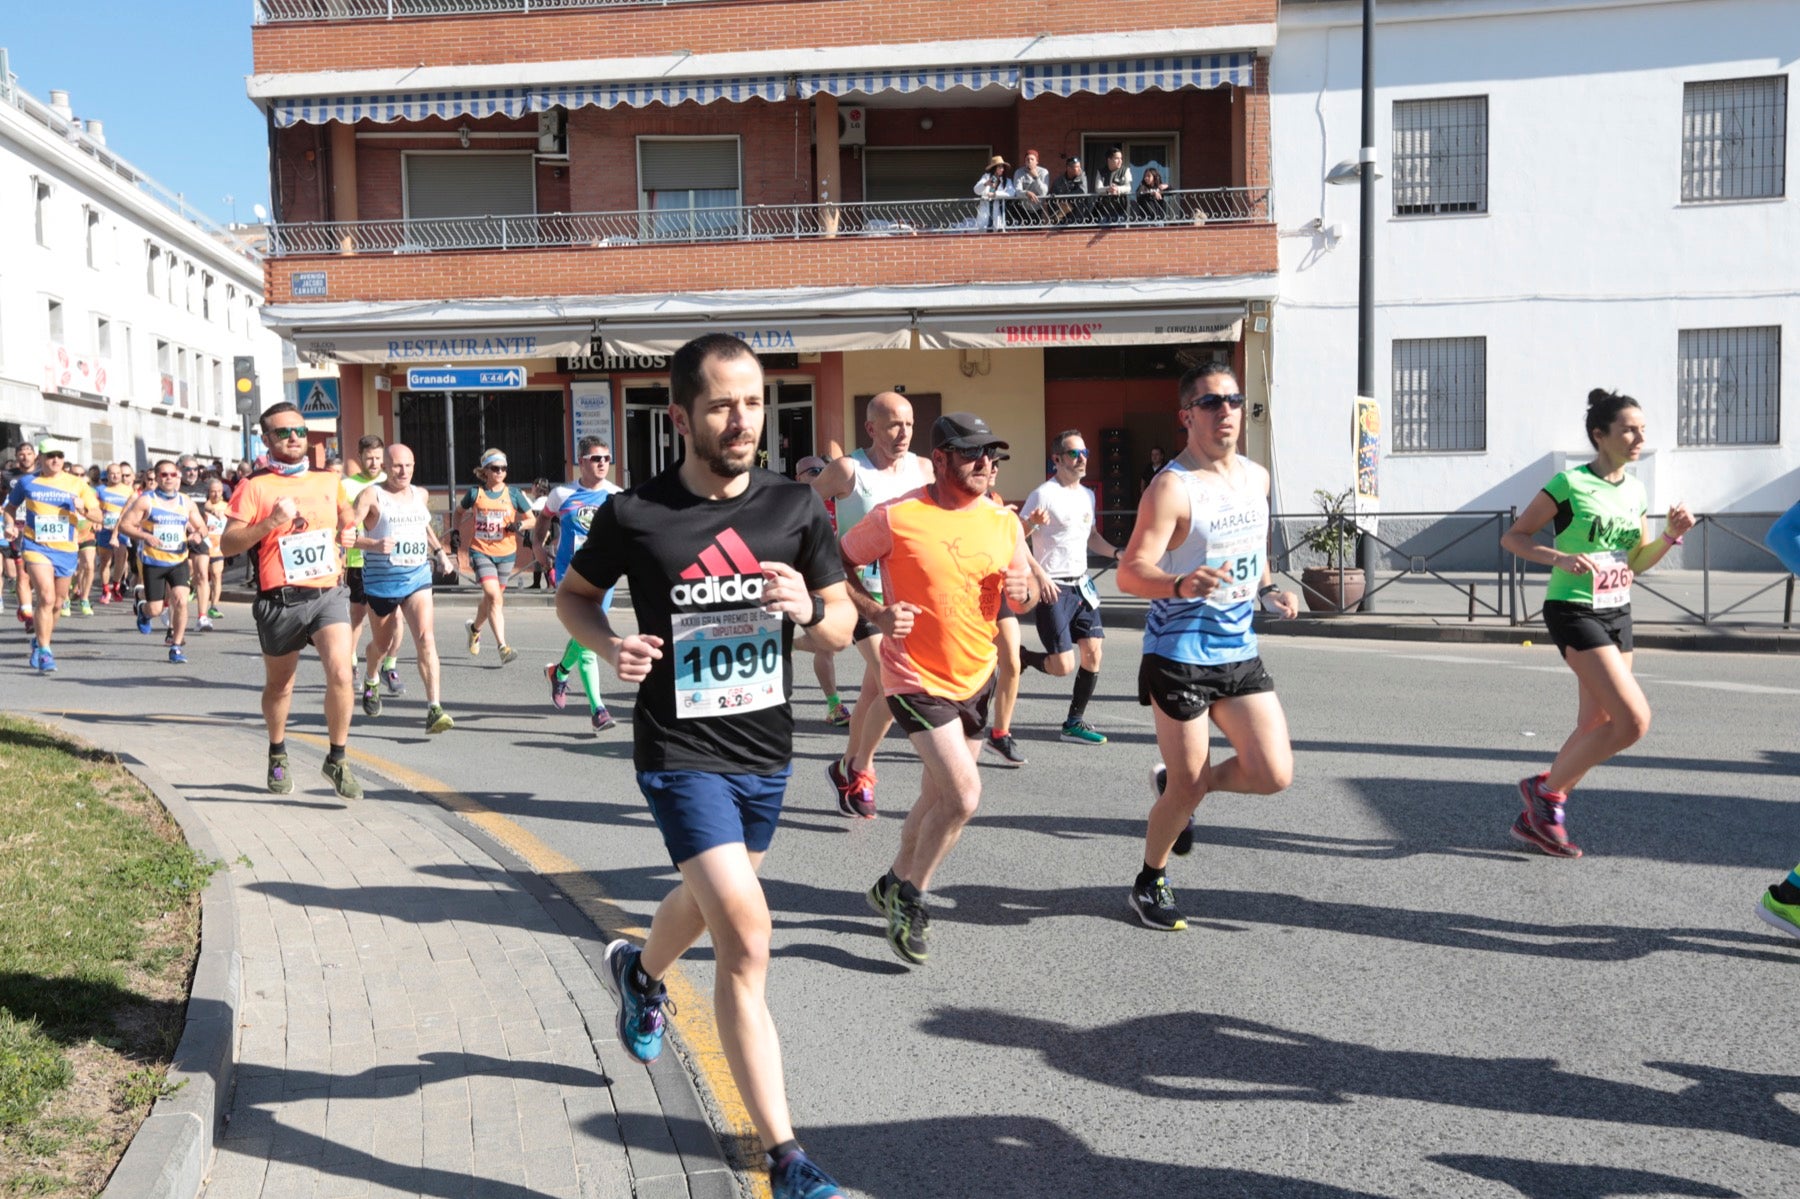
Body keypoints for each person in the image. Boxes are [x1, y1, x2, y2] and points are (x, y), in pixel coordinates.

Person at [555, 333, 855, 1199]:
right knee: (747, 934)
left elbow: (839, 624)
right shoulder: (636, 513)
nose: (742, 420)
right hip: (677, 750)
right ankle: (786, 1156)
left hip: (764, 752)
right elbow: (575, 596)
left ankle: (639, 973)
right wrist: (611, 645)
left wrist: (808, 606)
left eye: (754, 402)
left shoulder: (793, 508)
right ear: (681, 414)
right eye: (723, 404)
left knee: (713, 899)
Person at [841, 413, 1035, 964]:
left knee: (937, 798)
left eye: (992, 455)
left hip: (976, 675)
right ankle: (912, 895)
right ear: (942, 458)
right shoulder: (898, 516)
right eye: (973, 454)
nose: (986, 464)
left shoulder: (1004, 522)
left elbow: (1019, 597)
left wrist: (1023, 591)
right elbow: (836, 562)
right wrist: (877, 612)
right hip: (914, 678)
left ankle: (892, 881)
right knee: (965, 796)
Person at [1117, 364, 1300, 931]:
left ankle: (1182, 788)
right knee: (1190, 784)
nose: (1225, 411)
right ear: (1187, 416)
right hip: (1178, 654)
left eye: (1233, 401)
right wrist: (1178, 583)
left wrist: (1269, 587)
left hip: (1238, 650)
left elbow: (1254, 547)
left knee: (1273, 774)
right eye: (1211, 403)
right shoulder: (1172, 486)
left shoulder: (1257, 477)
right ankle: (1151, 878)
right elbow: (1129, 572)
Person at [1499, 389, 1695, 857]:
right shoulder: (1569, 485)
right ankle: (1546, 793)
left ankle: (1537, 819)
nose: (1638, 437)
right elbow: (1514, 537)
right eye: (1629, 428)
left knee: (1596, 723)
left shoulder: (1636, 489)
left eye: (1642, 429)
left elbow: (1635, 560)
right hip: (1573, 609)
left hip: (1617, 610)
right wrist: (1559, 557)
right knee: (1632, 722)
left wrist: (1670, 536)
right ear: (1599, 435)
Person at [220, 402, 363, 800]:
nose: (294, 438)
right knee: (281, 686)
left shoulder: (327, 478)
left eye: (299, 430)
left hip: (327, 592)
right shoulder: (255, 486)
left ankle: (337, 757)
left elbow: (345, 510)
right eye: (283, 433)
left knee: (341, 673)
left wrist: (349, 529)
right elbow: (228, 543)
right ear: (266, 440)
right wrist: (269, 524)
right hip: (280, 600)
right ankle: (278, 750)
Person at [812, 393, 934, 818]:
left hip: (907, 597)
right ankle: (861, 768)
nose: (903, 434)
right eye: (893, 425)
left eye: (910, 424)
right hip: (858, 592)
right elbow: (800, 508)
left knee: (872, 690)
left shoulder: (923, 470)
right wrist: (818, 558)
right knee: (891, 681)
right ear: (871, 429)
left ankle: (845, 766)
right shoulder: (849, 469)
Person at [1017, 430, 1124, 745]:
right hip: (1053, 589)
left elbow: (1091, 538)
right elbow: (1015, 537)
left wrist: (1118, 552)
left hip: (1082, 586)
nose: (1082, 459)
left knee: (1093, 654)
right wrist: (1039, 575)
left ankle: (1073, 723)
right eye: (1074, 453)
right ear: (1056, 459)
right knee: (1063, 666)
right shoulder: (1043, 494)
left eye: (1085, 452)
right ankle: (1024, 658)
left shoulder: (1087, 495)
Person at [353, 443, 456, 734]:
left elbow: (423, 527)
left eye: (409, 465)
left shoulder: (420, 494)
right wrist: (373, 544)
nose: (404, 471)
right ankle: (372, 677)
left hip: (417, 576)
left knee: (426, 637)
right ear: (385, 466)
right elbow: (344, 533)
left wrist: (439, 554)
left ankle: (434, 708)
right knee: (382, 645)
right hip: (381, 581)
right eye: (398, 465)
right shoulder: (372, 496)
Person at [540, 437, 623, 735]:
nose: (603, 463)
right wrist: (540, 551)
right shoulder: (562, 494)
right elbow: (543, 521)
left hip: (604, 578)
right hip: (571, 577)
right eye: (595, 458)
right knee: (588, 643)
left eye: (607, 458)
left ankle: (559, 672)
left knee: (585, 635)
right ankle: (597, 709)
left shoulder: (616, 496)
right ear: (581, 461)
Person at [5, 439, 100, 672]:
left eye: (59, 455)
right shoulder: (27, 482)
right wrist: (9, 525)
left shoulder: (77, 484)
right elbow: (9, 508)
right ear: (41, 458)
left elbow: (98, 516)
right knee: (46, 598)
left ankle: (40, 640)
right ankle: (46, 651)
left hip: (66, 549)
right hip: (36, 547)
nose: (55, 460)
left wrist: (83, 509)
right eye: (50, 456)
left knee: (58, 602)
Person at [117, 461, 210, 664]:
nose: (169, 478)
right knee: (156, 609)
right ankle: (142, 608)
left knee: (181, 600)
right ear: (157, 478)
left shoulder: (186, 502)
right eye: (164, 474)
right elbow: (125, 525)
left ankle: (176, 646)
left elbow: (202, 527)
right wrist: (144, 536)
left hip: (178, 560)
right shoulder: (146, 501)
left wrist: (197, 535)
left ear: (178, 477)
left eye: (173, 474)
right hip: (154, 562)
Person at [457, 448, 534, 664]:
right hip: (481, 551)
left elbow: (533, 519)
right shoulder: (475, 493)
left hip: (506, 554)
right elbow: (459, 512)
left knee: (491, 599)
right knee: (494, 597)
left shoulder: (514, 494)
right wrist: (455, 532)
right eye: (495, 468)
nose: (500, 472)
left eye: (503, 468)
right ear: (486, 471)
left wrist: (519, 524)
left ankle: (474, 630)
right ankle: (503, 646)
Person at [791, 454, 852, 727]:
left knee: (838, 641)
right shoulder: (796, 505)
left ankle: (787, 644)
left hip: (847, 577)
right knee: (826, 646)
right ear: (799, 478)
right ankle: (834, 705)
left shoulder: (839, 498)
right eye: (812, 470)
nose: (819, 474)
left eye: (823, 469)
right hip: (812, 578)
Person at [339, 435, 392, 688]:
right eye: (369, 458)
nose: (374, 463)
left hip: (388, 560)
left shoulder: (390, 481)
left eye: (378, 458)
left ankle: (388, 666)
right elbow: (341, 523)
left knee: (392, 617)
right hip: (357, 560)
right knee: (357, 616)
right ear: (359, 457)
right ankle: (351, 665)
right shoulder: (347, 486)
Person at [177, 457, 215, 631]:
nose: (191, 472)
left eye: (194, 469)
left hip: (199, 536)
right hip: (179, 537)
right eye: (187, 469)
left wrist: (214, 510)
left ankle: (202, 617)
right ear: (180, 470)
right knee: (181, 576)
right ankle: (158, 603)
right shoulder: (176, 488)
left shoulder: (203, 487)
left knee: (203, 574)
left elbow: (204, 504)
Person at [9, 440, 40, 630]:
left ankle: (28, 603)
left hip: (41, 529)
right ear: (16, 456)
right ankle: (28, 614)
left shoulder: (44, 475)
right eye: (21, 453)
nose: (25, 456)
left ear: (35, 455)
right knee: (22, 573)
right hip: (18, 529)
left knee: (37, 574)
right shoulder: (7, 476)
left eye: (29, 453)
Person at [65, 461, 100, 617]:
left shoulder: (90, 491)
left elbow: (96, 510)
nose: (78, 477)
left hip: (87, 532)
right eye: (75, 474)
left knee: (89, 566)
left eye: (81, 474)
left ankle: (84, 599)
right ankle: (65, 600)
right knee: (68, 569)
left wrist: (97, 521)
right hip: (67, 533)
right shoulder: (62, 489)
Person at [95, 464, 133, 604]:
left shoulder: (129, 490)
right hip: (105, 528)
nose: (116, 476)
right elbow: (95, 508)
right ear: (107, 474)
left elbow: (132, 510)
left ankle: (116, 585)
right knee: (105, 561)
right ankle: (105, 589)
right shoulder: (100, 490)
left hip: (122, 529)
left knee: (121, 556)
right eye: (112, 473)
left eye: (118, 473)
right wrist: (97, 521)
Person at [199, 478, 231, 629]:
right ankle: (200, 603)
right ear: (208, 492)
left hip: (219, 546)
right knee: (202, 576)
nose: (216, 494)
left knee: (217, 575)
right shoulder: (204, 505)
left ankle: (214, 606)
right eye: (213, 491)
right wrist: (212, 511)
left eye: (219, 491)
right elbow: (205, 509)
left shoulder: (227, 506)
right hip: (204, 545)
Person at [973, 155, 1015, 231]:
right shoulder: (986, 177)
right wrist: (985, 184)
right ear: (994, 168)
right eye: (999, 167)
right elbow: (976, 190)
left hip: (999, 211)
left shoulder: (1007, 181)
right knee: (984, 232)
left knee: (998, 232)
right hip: (986, 211)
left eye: (1002, 167)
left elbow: (1011, 193)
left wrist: (996, 194)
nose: (1002, 169)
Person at [1011, 149, 1050, 226]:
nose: (1029, 161)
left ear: (1037, 161)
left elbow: (1043, 192)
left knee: (1036, 234)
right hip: (1021, 208)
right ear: (1024, 161)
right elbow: (1017, 191)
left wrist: (1036, 177)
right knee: (1019, 235)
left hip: (1037, 209)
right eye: (1027, 159)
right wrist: (1027, 193)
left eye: (1032, 159)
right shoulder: (1019, 172)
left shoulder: (1043, 172)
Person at [1049, 154, 1091, 225]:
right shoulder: (1059, 180)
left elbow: (1082, 191)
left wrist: (1065, 198)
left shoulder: (1082, 177)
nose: (1079, 169)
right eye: (1076, 167)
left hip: (1078, 217)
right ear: (1068, 168)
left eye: (1079, 166)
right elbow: (1050, 197)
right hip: (1062, 219)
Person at [1096, 147, 1133, 223]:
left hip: (1121, 210)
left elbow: (1128, 188)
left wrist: (1118, 189)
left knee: (1119, 233)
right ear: (1109, 160)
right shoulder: (1101, 172)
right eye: (1117, 158)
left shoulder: (1125, 170)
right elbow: (1098, 189)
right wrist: (1108, 189)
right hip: (1104, 210)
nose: (1120, 161)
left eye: (1121, 158)